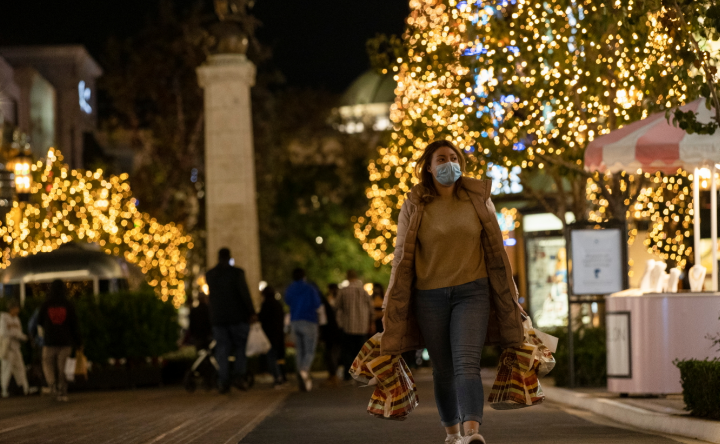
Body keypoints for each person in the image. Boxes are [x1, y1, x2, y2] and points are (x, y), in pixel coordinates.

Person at [381, 140, 526, 444]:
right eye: (442, 159)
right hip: (428, 296)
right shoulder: (414, 205)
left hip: (472, 292)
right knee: (443, 369)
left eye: (454, 158)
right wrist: (390, 300)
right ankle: (452, 433)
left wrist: (510, 294)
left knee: (466, 362)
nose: (449, 164)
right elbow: (400, 255)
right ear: (429, 167)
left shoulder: (477, 199)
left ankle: (472, 432)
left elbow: (497, 250)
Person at [205, 247, 257, 394]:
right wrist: (251, 312)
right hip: (237, 318)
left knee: (222, 350)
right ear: (229, 257)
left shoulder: (210, 274)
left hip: (218, 319)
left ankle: (223, 381)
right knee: (241, 346)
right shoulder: (237, 273)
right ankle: (239, 376)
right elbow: (244, 294)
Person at [38, 280, 82, 402]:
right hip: (66, 341)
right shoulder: (68, 304)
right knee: (62, 368)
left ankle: (52, 386)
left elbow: (39, 320)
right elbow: (74, 324)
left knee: (47, 363)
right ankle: (63, 392)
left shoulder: (46, 304)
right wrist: (78, 342)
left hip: (50, 341)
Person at [284, 268, 321, 392]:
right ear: (304, 276)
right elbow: (317, 303)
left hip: (295, 320)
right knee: (309, 350)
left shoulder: (290, 288)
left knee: (299, 350)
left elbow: (287, 300)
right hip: (309, 320)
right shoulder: (310, 288)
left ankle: (300, 375)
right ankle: (304, 370)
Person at [336, 270, 373, 382]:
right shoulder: (363, 291)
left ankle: (348, 375)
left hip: (348, 326)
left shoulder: (343, 291)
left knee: (347, 351)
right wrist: (370, 323)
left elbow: (337, 307)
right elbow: (371, 309)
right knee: (361, 352)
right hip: (362, 326)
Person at [0, 299, 29, 398]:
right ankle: (4, 390)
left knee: (20, 368)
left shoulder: (16, 319)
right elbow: (4, 333)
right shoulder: (4, 317)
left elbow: (19, 332)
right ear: (12, 308)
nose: (18, 310)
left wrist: (23, 337)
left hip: (16, 348)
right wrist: (17, 335)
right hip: (8, 348)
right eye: (16, 308)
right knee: (6, 369)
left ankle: (24, 388)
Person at [259, 285, 286, 387]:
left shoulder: (266, 304)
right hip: (278, 334)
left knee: (271, 357)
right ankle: (281, 376)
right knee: (278, 356)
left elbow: (262, 317)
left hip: (269, 335)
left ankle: (277, 376)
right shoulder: (278, 304)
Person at [320, 283, 341, 386]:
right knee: (332, 354)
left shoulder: (326, 302)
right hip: (335, 330)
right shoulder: (328, 301)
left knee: (330, 354)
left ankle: (333, 377)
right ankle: (333, 376)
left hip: (330, 331)